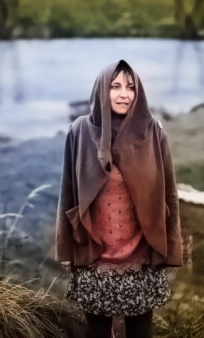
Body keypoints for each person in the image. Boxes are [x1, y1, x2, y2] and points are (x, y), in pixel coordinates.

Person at [55, 59, 183, 338]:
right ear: (102, 90)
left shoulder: (153, 133)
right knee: (96, 332)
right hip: (94, 259)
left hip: (141, 259)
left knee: (140, 333)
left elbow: (169, 194)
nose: (124, 94)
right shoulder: (79, 132)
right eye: (115, 86)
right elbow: (68, 193)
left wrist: (171, 248)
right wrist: (66, 249)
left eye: (131, 87)